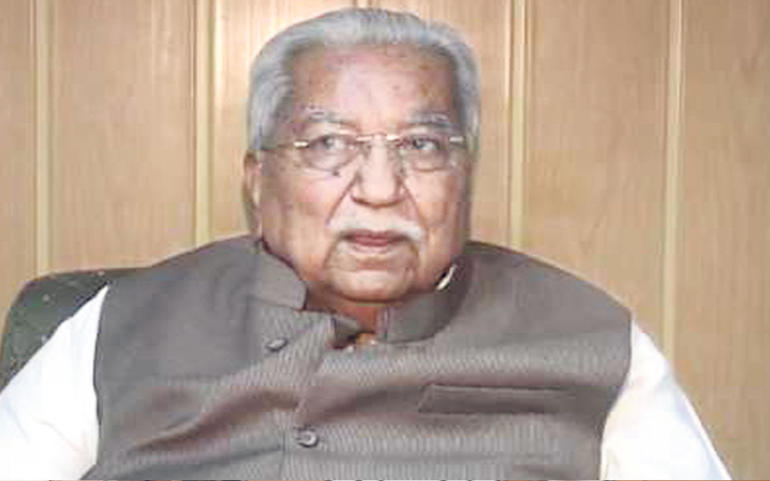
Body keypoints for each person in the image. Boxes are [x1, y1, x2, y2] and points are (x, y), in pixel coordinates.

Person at [0, 7, 729, 480]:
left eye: (422, 145)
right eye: (327, 144)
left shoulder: (589, 338)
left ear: (465, 175)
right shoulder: (122, 324)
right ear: (257, 178)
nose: (380, 189)